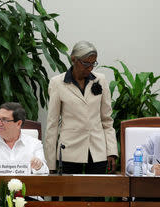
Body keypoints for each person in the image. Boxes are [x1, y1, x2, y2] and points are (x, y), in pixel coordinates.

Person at [44, 41, 118, 176]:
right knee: (70, 195)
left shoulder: (100, 80)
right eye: (86, 63)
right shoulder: (57, 83)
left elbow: (107, 120)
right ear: (73, 59)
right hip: (69, 149)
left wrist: (111, 151)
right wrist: (50, 164)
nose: (90, 68)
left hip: (97, 149)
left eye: (93, 63)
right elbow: (52, 125)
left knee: (97, 195)